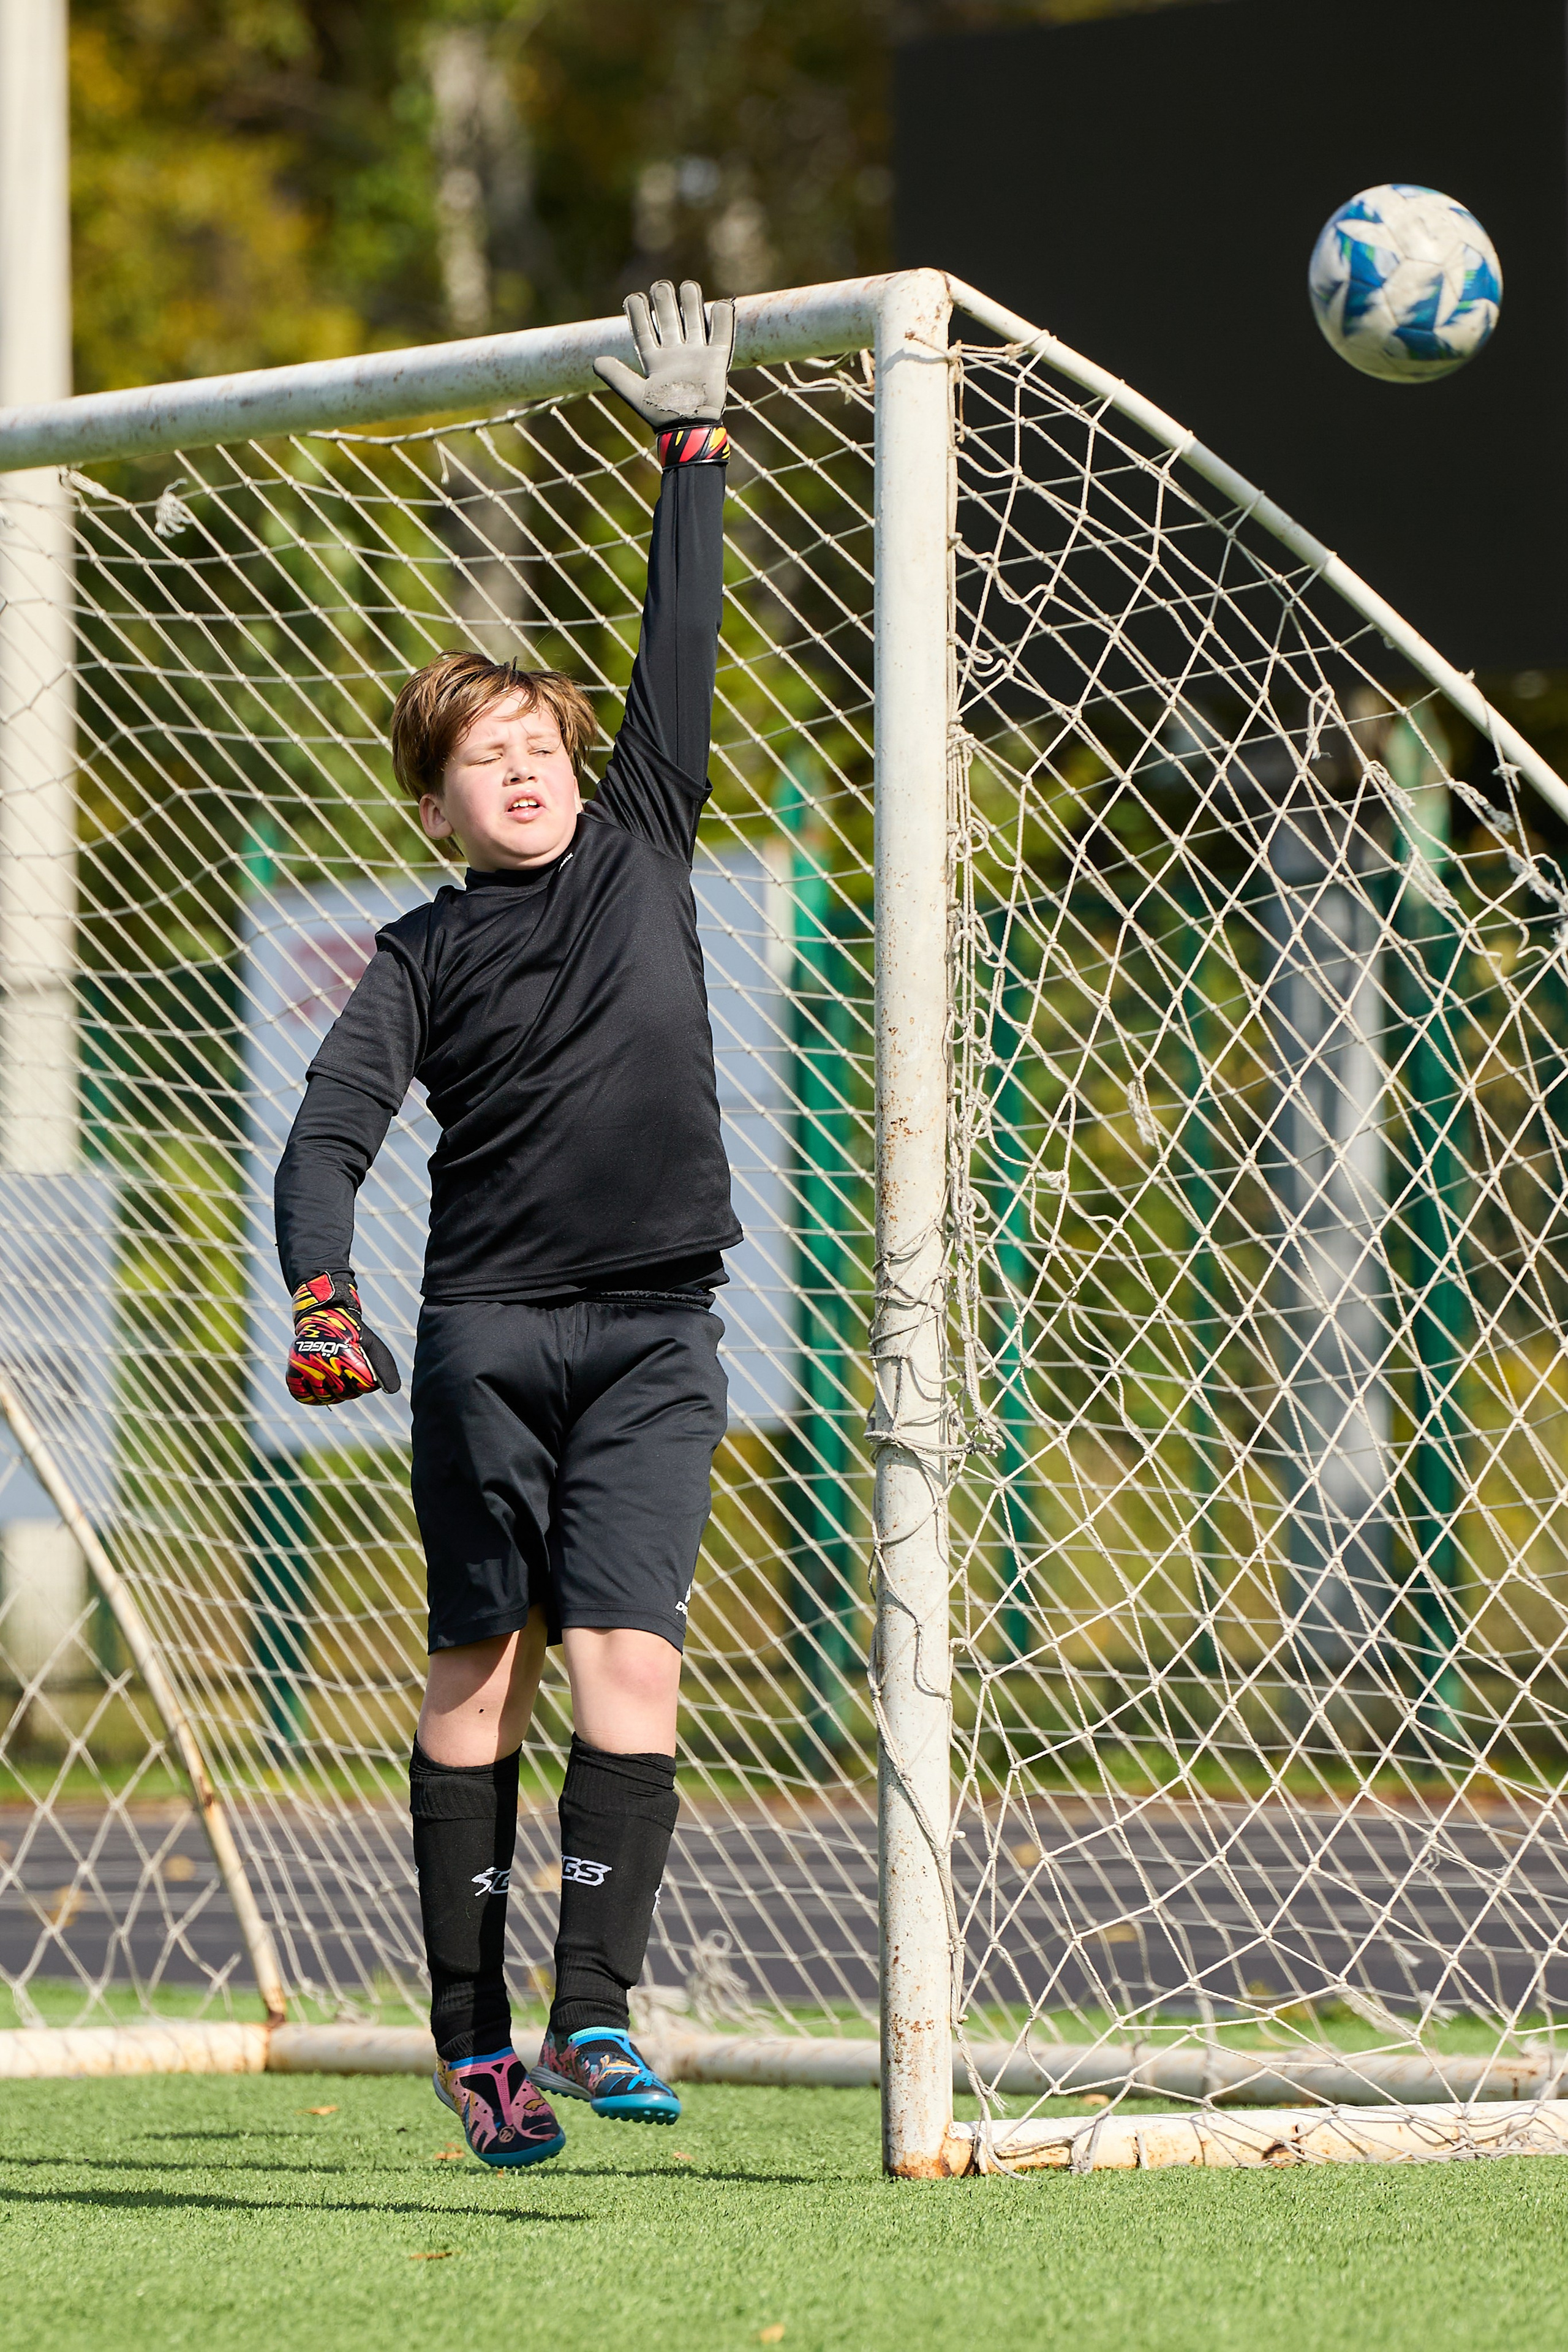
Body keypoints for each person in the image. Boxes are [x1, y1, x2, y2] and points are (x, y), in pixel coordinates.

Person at [272, 281, 738, 2168]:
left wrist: (689, 453)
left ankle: (595, 2015)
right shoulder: (415, 952)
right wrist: (321, 1291)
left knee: (634, 1660)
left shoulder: (640, 836)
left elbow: (679, 651)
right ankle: (470, 2042)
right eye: (488, 757)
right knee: (486, 1672)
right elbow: (328, 1136)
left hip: (654, 1331)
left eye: (543, 739)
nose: (529, 767)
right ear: (441, 800)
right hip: (487, 1336)